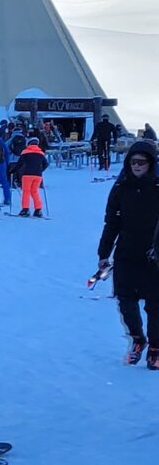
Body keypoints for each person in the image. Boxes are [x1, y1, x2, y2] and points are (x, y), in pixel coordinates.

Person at [99, 140, 159, 368]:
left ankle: (155, 348)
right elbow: (111, 222)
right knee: (125, 300)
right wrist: (104, 252)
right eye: (133, 161)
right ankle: (137, 339)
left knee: (155, 304)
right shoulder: (121, 187)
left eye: (141, 162)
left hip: (154, 254)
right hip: (126, 252)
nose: (137, 166)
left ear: (151, 163)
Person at [16, 139, 48, 217]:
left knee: (26, 192)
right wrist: (40, 170)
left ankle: (25, 209)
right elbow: (46, 164)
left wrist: (12, 171)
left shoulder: (25, 152)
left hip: (27, 174)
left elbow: (19, 164)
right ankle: (38, 210)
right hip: (38, 175)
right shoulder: (41, 153)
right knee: (35, 192)